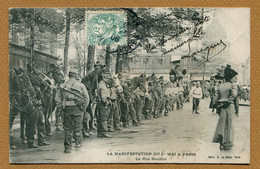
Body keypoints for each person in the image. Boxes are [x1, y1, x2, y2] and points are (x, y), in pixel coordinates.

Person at [55, 68, 89, 153]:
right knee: (78, 128)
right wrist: (83, 108)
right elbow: (86, 98)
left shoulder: (63, 85)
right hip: (78, 109)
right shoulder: (81, 85)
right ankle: (78, 145)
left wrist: (61, 106)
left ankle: (67, 148)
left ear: (69, 75)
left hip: (66, 109)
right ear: (76, 75)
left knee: (67, 129)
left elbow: (57, 98)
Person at [213, 65, 238, 150]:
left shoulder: (220, 86)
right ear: (230, 78)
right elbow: (233, 95)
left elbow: (216, 97)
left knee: (221, 124)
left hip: (221, 106)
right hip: (228, 106)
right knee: (229, 123)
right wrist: (227, 101)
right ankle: (227, 142)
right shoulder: (232, 85)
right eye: (234, 77)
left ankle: (221, 142)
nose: (235, 79)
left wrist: (218, 104)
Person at [96, 71, 113, 138]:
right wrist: (106, 103)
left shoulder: (101, 84)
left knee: (101, 118)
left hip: (100, 103)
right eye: (107, 78)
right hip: (102, 103)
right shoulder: (102, 85)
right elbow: (104, 96)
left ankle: (100, 132)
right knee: (103, 118)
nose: (108, 80)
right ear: (104, 78)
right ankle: (104, 132)